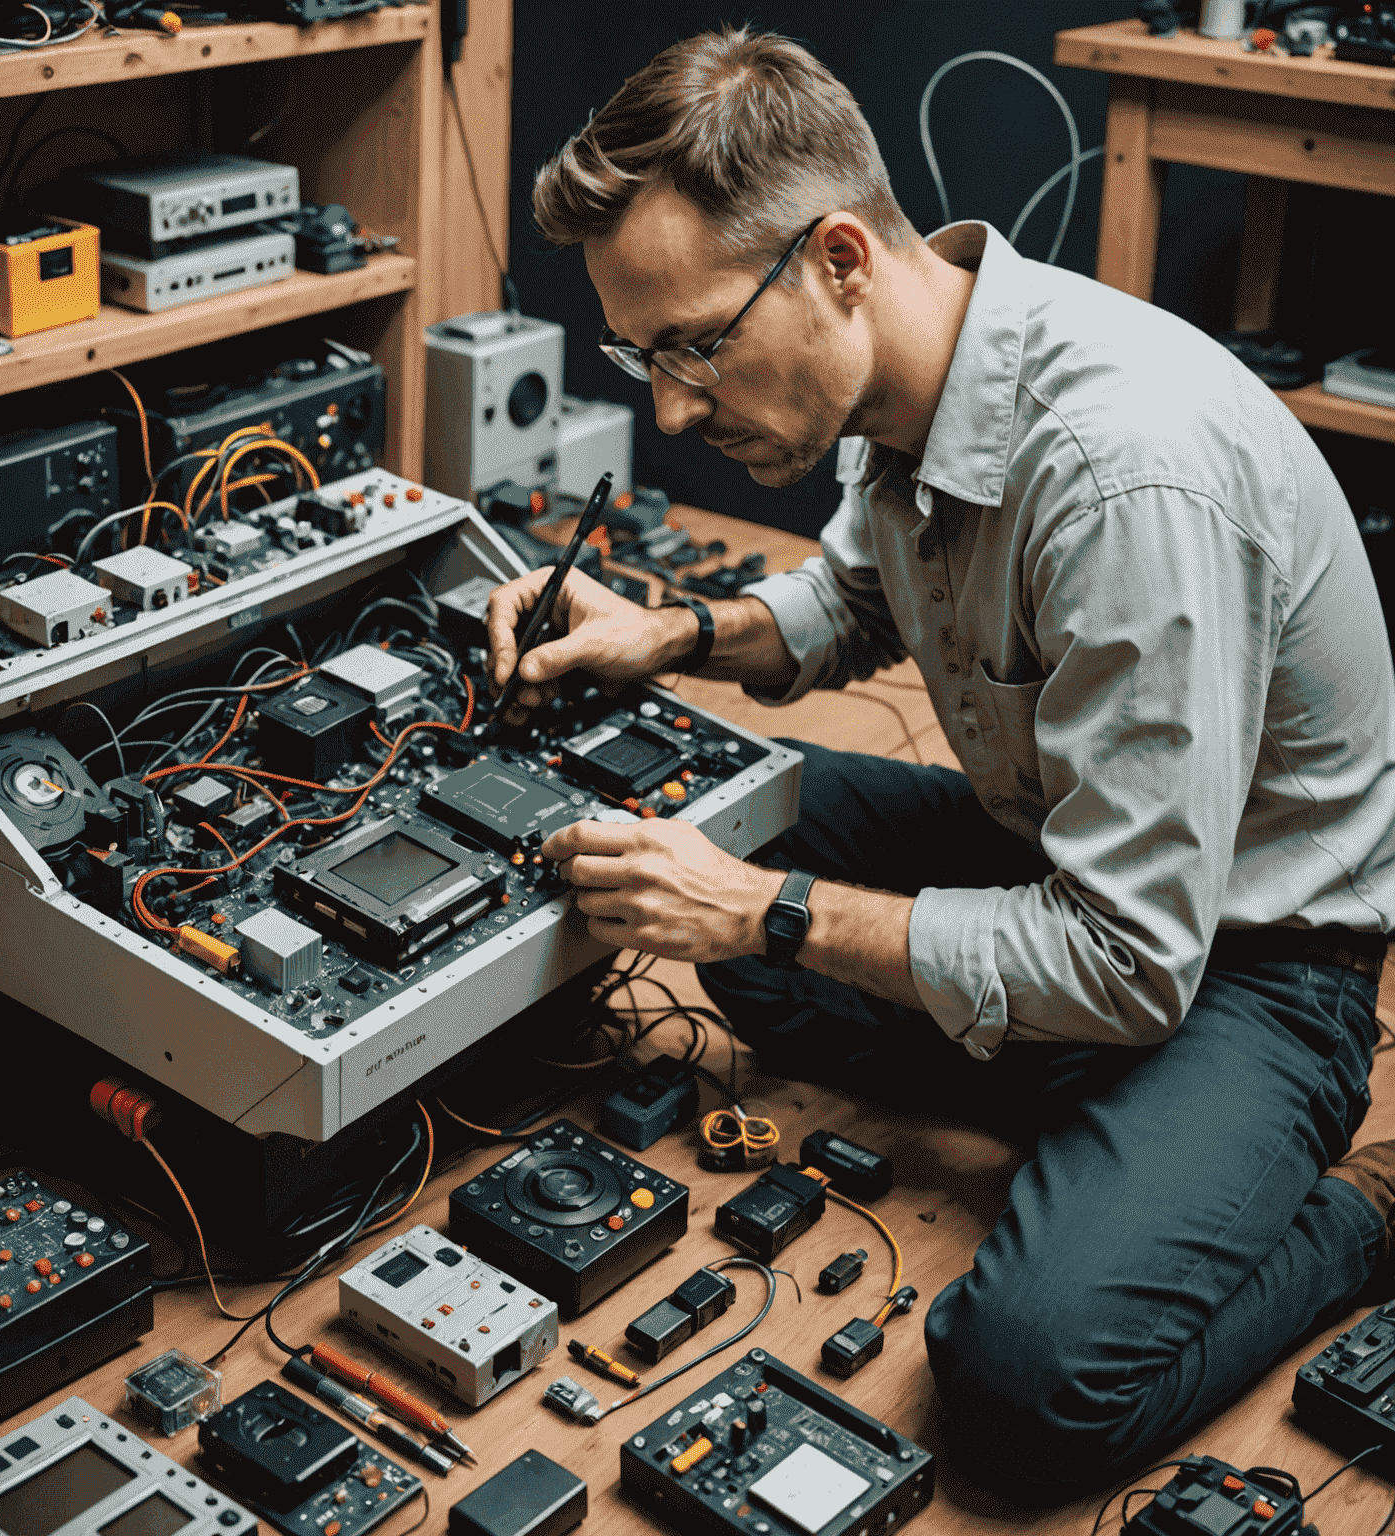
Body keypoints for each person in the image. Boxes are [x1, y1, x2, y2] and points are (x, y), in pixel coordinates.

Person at [482, 25, 1395, 1505]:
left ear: (839, 258)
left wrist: (767, 913)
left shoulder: (1119, 474)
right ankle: (1115, 1124)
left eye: (694, 347)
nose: (669, 410)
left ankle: (1338, 1205)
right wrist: (665, 633)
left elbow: (1132, 954)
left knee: (1027, 1387)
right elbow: (850, 601)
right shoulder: (919, 365)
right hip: (1066, 869)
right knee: (712, 827)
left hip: (1250, 963)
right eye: (640, 357)